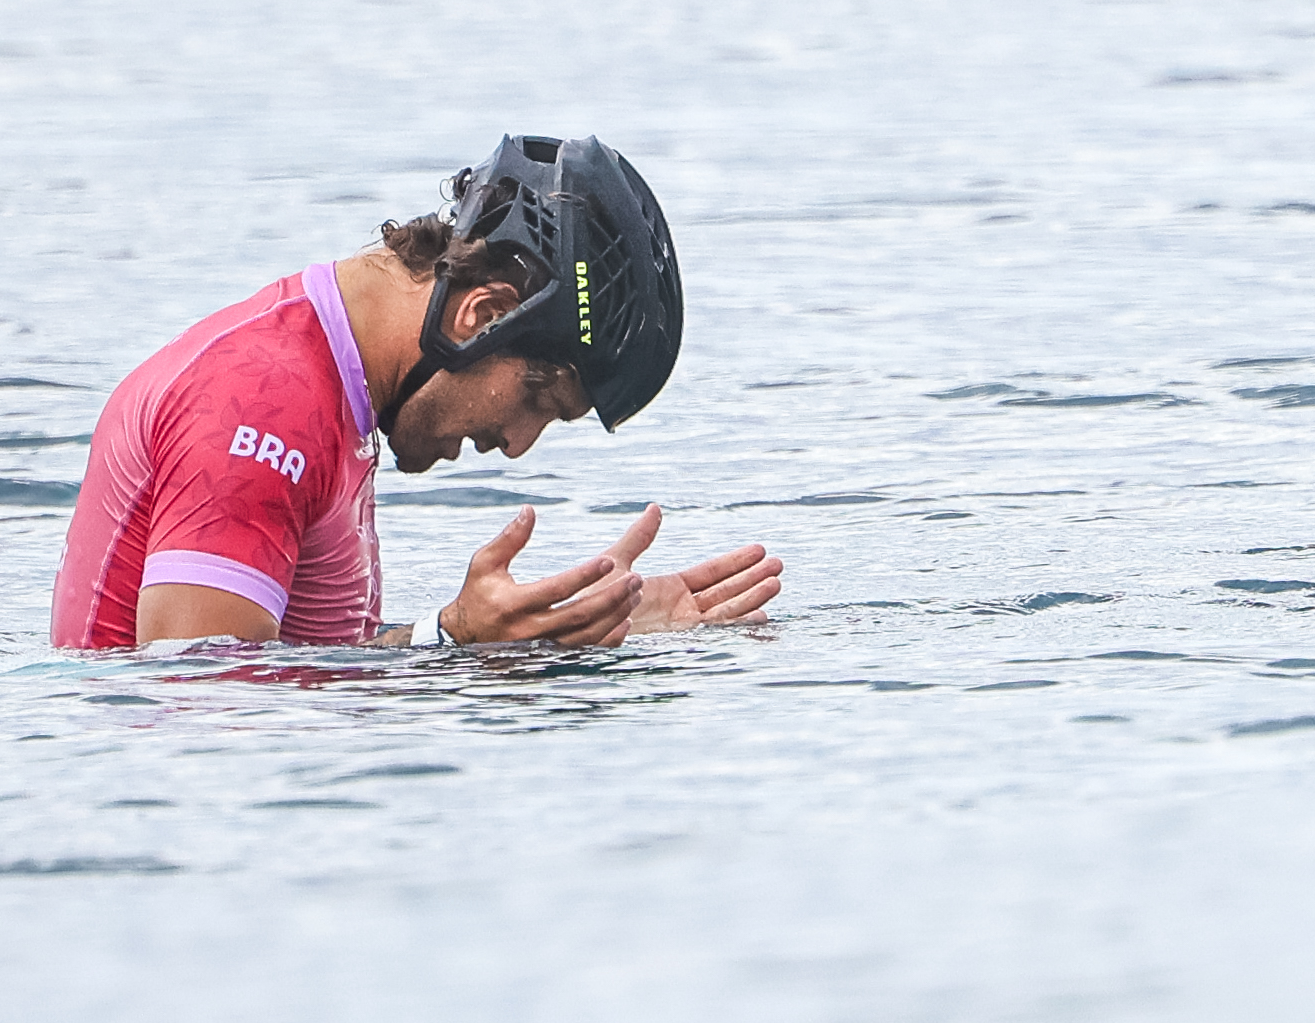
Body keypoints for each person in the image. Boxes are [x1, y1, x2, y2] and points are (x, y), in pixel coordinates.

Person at [50, 133, 782, 650]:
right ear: (483, 316)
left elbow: (295, 662)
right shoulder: (260, 405)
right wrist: (452, 641)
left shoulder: (326, 388)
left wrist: (542, 633)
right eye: (542, 403)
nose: (520, 444)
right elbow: (198, 705)